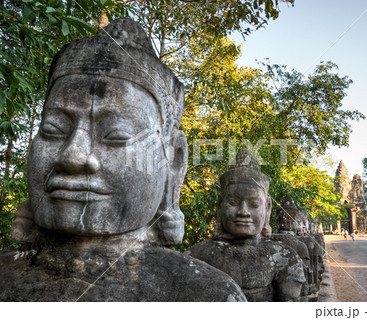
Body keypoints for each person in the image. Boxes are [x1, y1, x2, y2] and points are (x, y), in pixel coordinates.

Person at [0, 18, 246, 302]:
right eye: (53, 130)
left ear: (173, 162)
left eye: (116, 135)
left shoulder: (205, 296)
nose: (73, 156)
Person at [187, 148, 306, 302]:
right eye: (233, 202)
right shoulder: (198, 255)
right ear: (220, 205)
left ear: (267, 208)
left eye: (254, 204)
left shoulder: (284, 257)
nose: (243, 211)